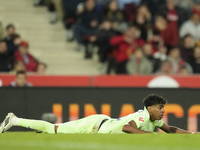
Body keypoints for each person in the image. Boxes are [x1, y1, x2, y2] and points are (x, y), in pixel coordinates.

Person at [0, 94, 198, 134]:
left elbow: (171, 130)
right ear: (150, 108)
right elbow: (128, 128)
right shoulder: (142, 117)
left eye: (163, 108)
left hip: (101, 124)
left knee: (53, 130)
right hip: (94, 126)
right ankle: (14, 119)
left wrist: (193, 135)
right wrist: (152, 138)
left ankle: (39, 131)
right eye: (160, 107)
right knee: (53, 129)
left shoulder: (152, 120)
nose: (163, 111)